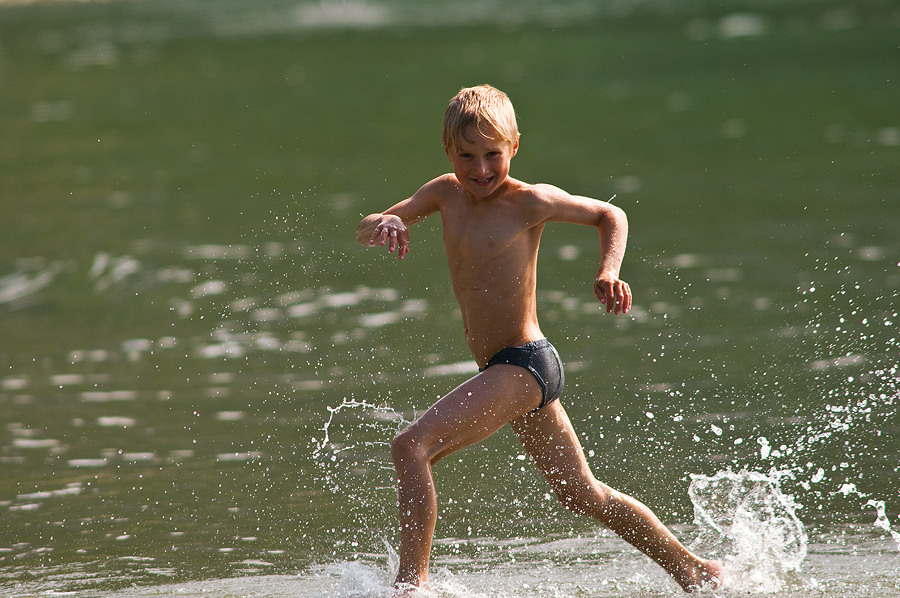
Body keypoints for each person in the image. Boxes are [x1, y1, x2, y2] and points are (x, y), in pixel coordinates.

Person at [355, 85, 722, 593]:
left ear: (514, 147)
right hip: (504, 371)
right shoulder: (444, 193)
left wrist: (608, 270)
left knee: (410, 447)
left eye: (493, 155)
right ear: (448, 152)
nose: (481, 169)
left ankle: (410, 587)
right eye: (467, 157)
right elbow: (368, 227)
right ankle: (695, 569)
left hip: (524, 363)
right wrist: (386, 220)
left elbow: (610, 214)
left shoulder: (529, 201)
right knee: (583, 494)